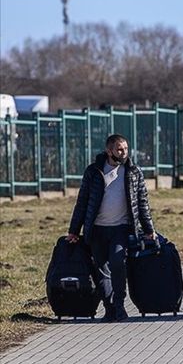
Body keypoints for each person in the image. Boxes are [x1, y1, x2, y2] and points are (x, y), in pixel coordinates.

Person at [66, 134, 155, 322]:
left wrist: (149, 229)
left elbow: (142, 202)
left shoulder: (133, 172)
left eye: (125, 149)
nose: (124, 153)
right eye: (119, 149)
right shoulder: (94, 171)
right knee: (101, 269)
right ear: (109, 151)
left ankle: (120, 306)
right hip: (97, 229)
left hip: (121, 228)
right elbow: (82, 202)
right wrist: (74, 230)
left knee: (117, 262)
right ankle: (109, 308)